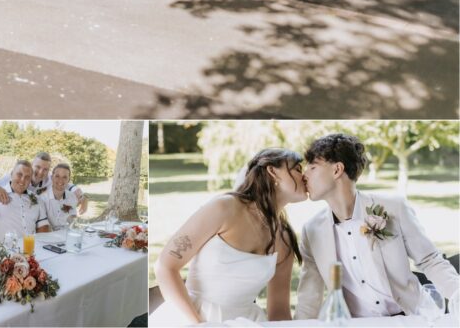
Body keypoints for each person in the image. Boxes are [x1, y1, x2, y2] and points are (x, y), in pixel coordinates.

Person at [297, 133, 459, 320]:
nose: (304, 175)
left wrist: (457, 294)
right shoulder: (312, 231)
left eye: (312, 167)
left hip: (413, 317)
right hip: (358, 323)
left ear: (337, 170)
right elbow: (309, 296)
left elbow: (430, 260)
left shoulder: (392, 207)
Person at [154, 148, 306, 325]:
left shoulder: (285, 239)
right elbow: (165, 266)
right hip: (191, 317)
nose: (304, 177)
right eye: (297, 169)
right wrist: (199, 324)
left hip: (247, 322)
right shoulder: (224, 208)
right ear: (273, 172)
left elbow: (279, 312)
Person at [0, 161, 50, 243]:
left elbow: (43, 228)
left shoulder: (38, 200)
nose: (22, 180)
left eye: (27, 177)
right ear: (11, 174)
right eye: (19, 174)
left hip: (30, 250)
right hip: (4, 252)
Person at [42, 163, 81, 230]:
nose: (60, 180)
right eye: (57, 176)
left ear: (68, 180)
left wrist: (74, 224)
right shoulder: (42, 199)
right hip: (49, 236)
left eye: (64, 177)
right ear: (52, 177)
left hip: (67, 235)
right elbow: (43, 226)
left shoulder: (71, 196)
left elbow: (72, 219)